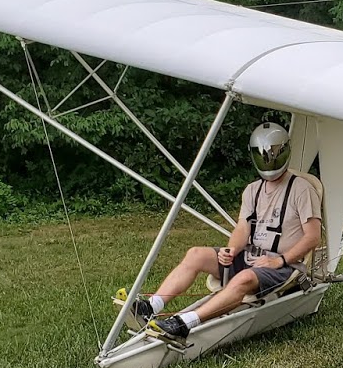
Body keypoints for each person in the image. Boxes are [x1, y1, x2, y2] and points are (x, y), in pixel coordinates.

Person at [128, 121, 321, 340]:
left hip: (283, 267)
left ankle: (184, 323)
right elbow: (242, 227)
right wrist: (230, 250)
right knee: (195, 254)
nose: (268, 160)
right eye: (262, 155)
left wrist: (280, 261)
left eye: (273, 154)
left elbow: (313, 237)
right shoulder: (252, 190)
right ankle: (151, 307)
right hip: (251, 257)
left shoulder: (302, 189)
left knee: (244, 277)